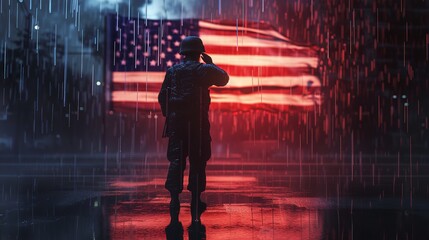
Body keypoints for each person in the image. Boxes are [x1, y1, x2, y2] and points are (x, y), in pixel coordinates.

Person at [158, 36, 229, 223]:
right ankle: (195, 199)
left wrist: (170, 115)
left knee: (176, 161)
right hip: (197, 125)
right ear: (199, 53)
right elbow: (224, 79)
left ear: (182, 53)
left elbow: (162, 96)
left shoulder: (172, 71)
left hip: (177, 125)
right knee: (197, 162)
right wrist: (212, 64)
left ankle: (174, 198)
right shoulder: (203, 70)